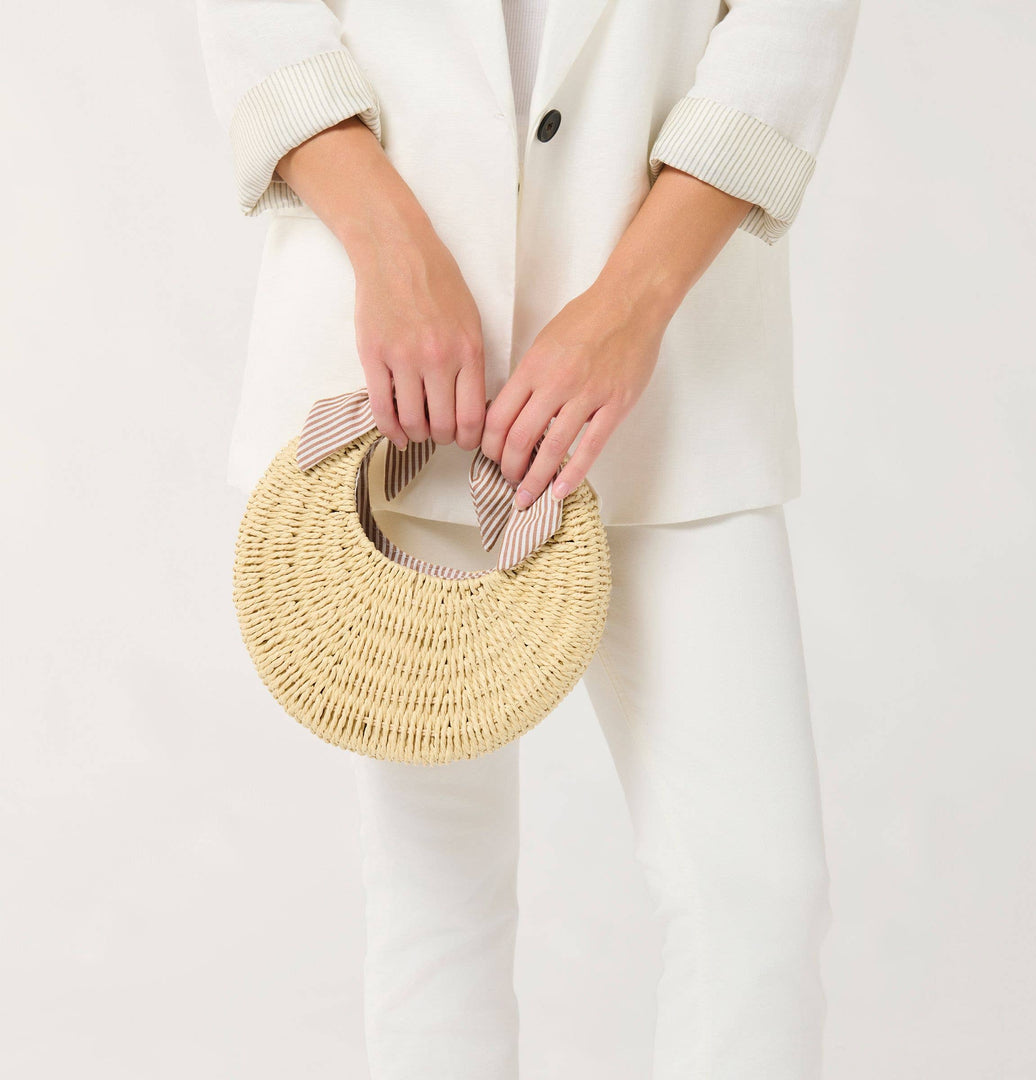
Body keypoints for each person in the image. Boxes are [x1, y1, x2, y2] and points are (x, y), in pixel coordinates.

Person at [196, 1, 860, 1076]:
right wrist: (390, 247)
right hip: (398, 377)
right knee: (436, 897)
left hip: (671, 369)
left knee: (758, 890)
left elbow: (793, 21)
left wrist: (633, 302)